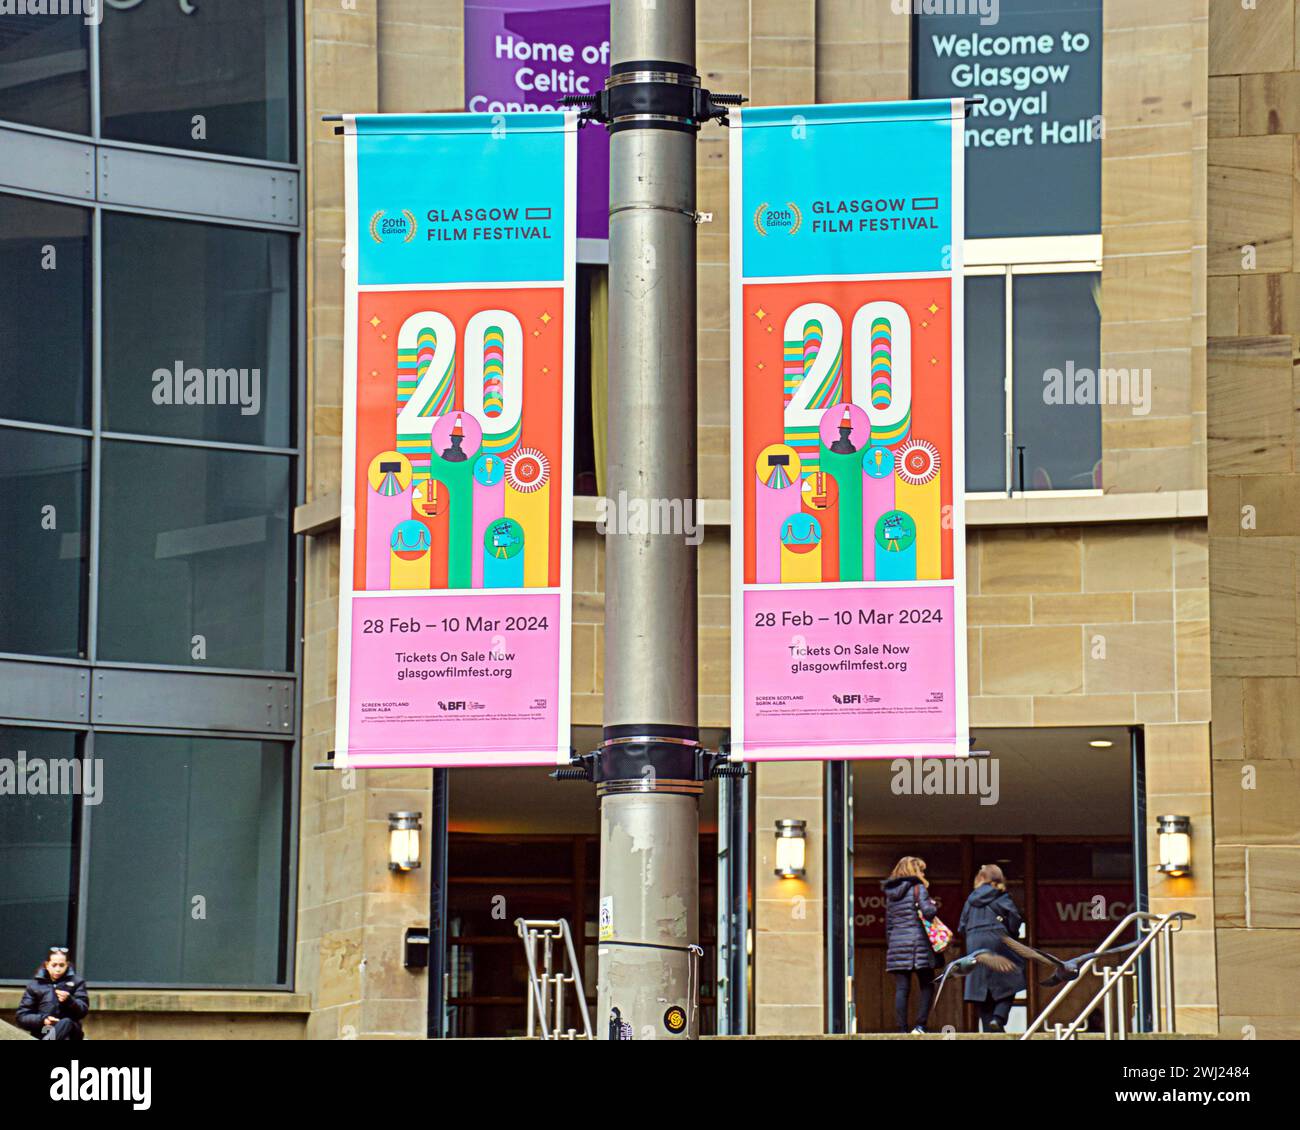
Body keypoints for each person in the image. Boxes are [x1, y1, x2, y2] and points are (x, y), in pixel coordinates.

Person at [958, 864, 1026, 1033]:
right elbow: (1015, 918)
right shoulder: (1002, 897)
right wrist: (1012, 934)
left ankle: (991, 1030)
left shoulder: (970, 900)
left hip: (974, 945)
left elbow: (961, 927)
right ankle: (999, 1018)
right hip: (997, 940)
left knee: (981, 989)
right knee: (1012, 978)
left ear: (980, 879)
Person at [881, 855, 941, 1033]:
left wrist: (892, 945)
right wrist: (933, 904)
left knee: (902, 988)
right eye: (921, 870)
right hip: (918, 944)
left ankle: (901, 1030)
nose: (923, 873)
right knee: (927, 984)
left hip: (897, 945)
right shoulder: (918, 887)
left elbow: (889, 924)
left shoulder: (891, 894)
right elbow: (928, 913)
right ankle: (920, 1025)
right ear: (915, 871)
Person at [16, 947, 89, 1040]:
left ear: (67, 965)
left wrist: (70, 1001)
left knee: (66, 1022)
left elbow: (83, 1011)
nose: (58, 969)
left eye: (61, 965)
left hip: (71, 1033)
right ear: (47, 965)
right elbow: (22, 1017)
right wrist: (43, 1020)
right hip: (44, 1031)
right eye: (54, 965)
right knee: (50, 1031)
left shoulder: (77, 982)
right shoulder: (35, 985)